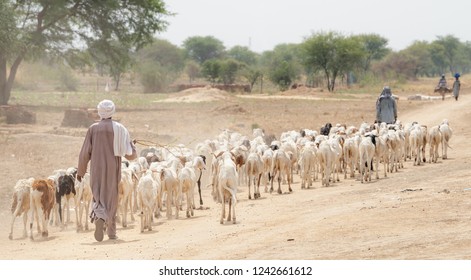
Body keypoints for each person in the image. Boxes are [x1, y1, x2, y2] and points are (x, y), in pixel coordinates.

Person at [77, 99, 137, 242]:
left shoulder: (93, 129)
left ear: (99, 112)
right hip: (113, 168)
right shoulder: (120, 129)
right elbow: (130, 155)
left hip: (96, 167)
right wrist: (132, 146)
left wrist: (80, 172)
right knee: (111, 197)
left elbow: (85, 152)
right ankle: (111, 232)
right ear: (112, 111)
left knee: (97, 195)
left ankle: (99, 216)